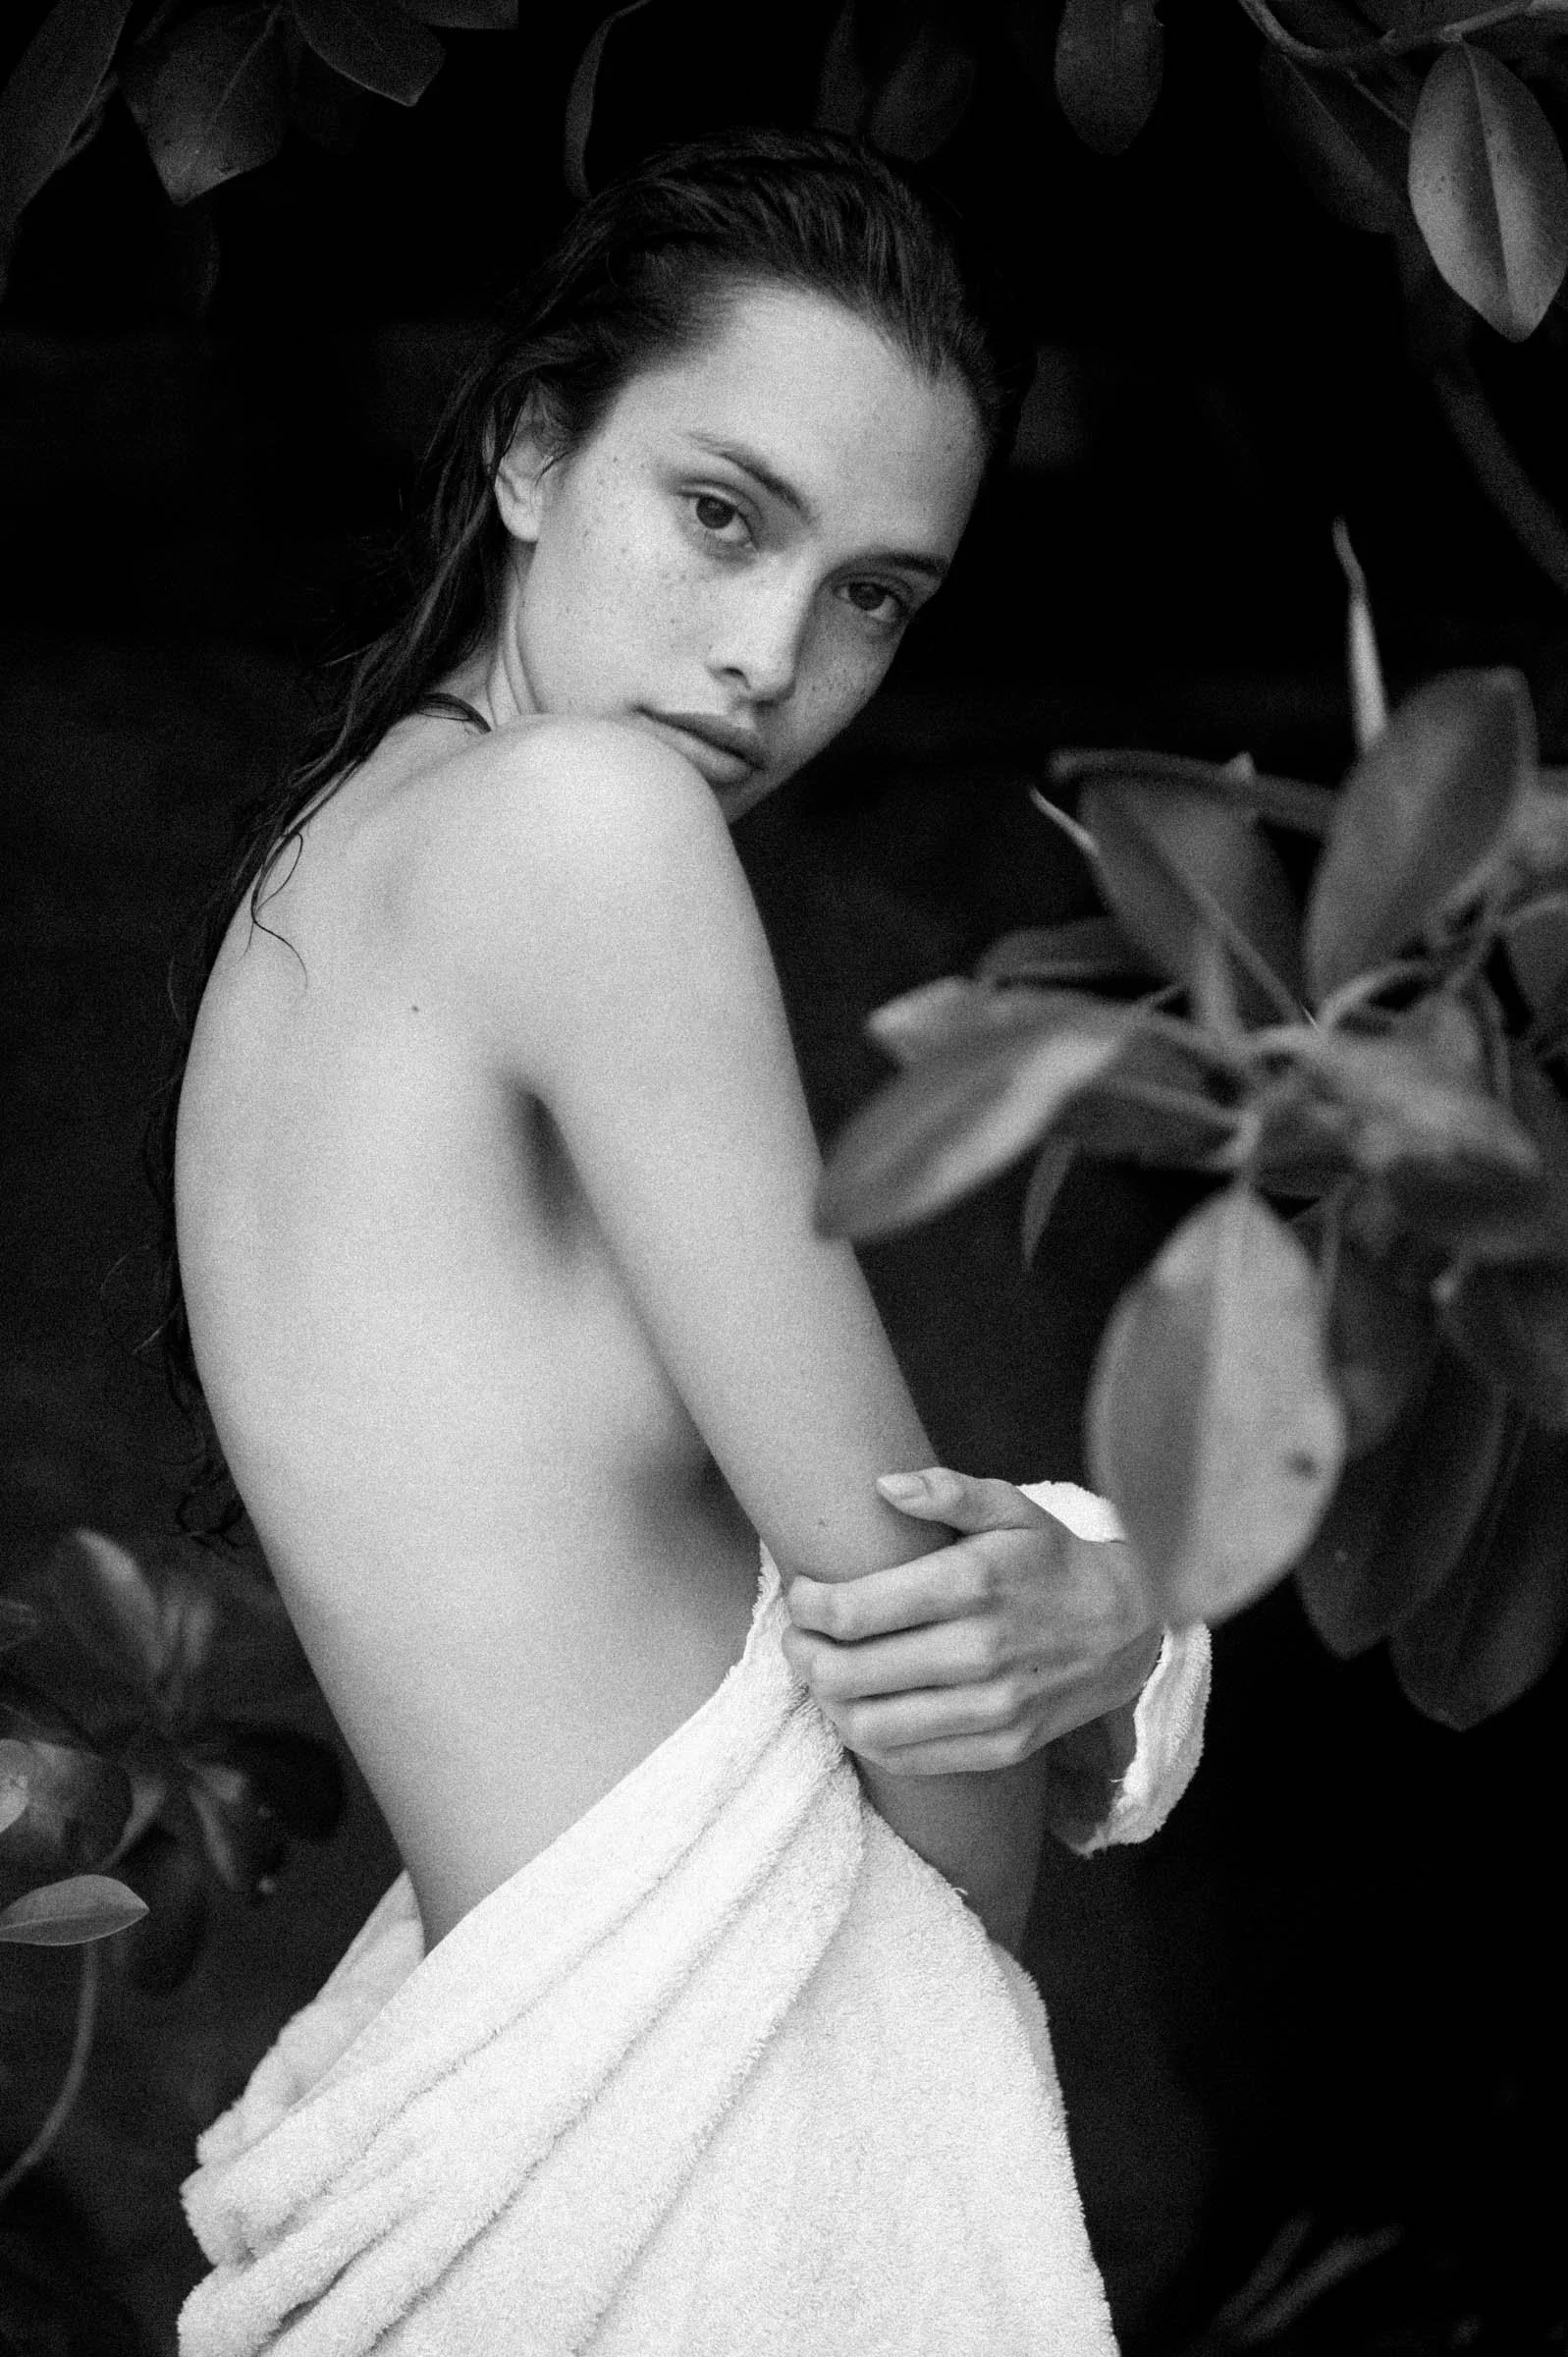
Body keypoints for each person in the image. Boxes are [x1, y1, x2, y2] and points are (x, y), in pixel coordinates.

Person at [164, 129, 1209, 2357]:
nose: (768, 661)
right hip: (722, 2160)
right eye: (725, 516)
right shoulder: (592, 822)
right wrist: (1093, 1623)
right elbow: (923, 1677)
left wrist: (1093, 1619)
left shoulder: (328, 875)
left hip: (556, 2163)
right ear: (536, 447)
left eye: (875, 597)